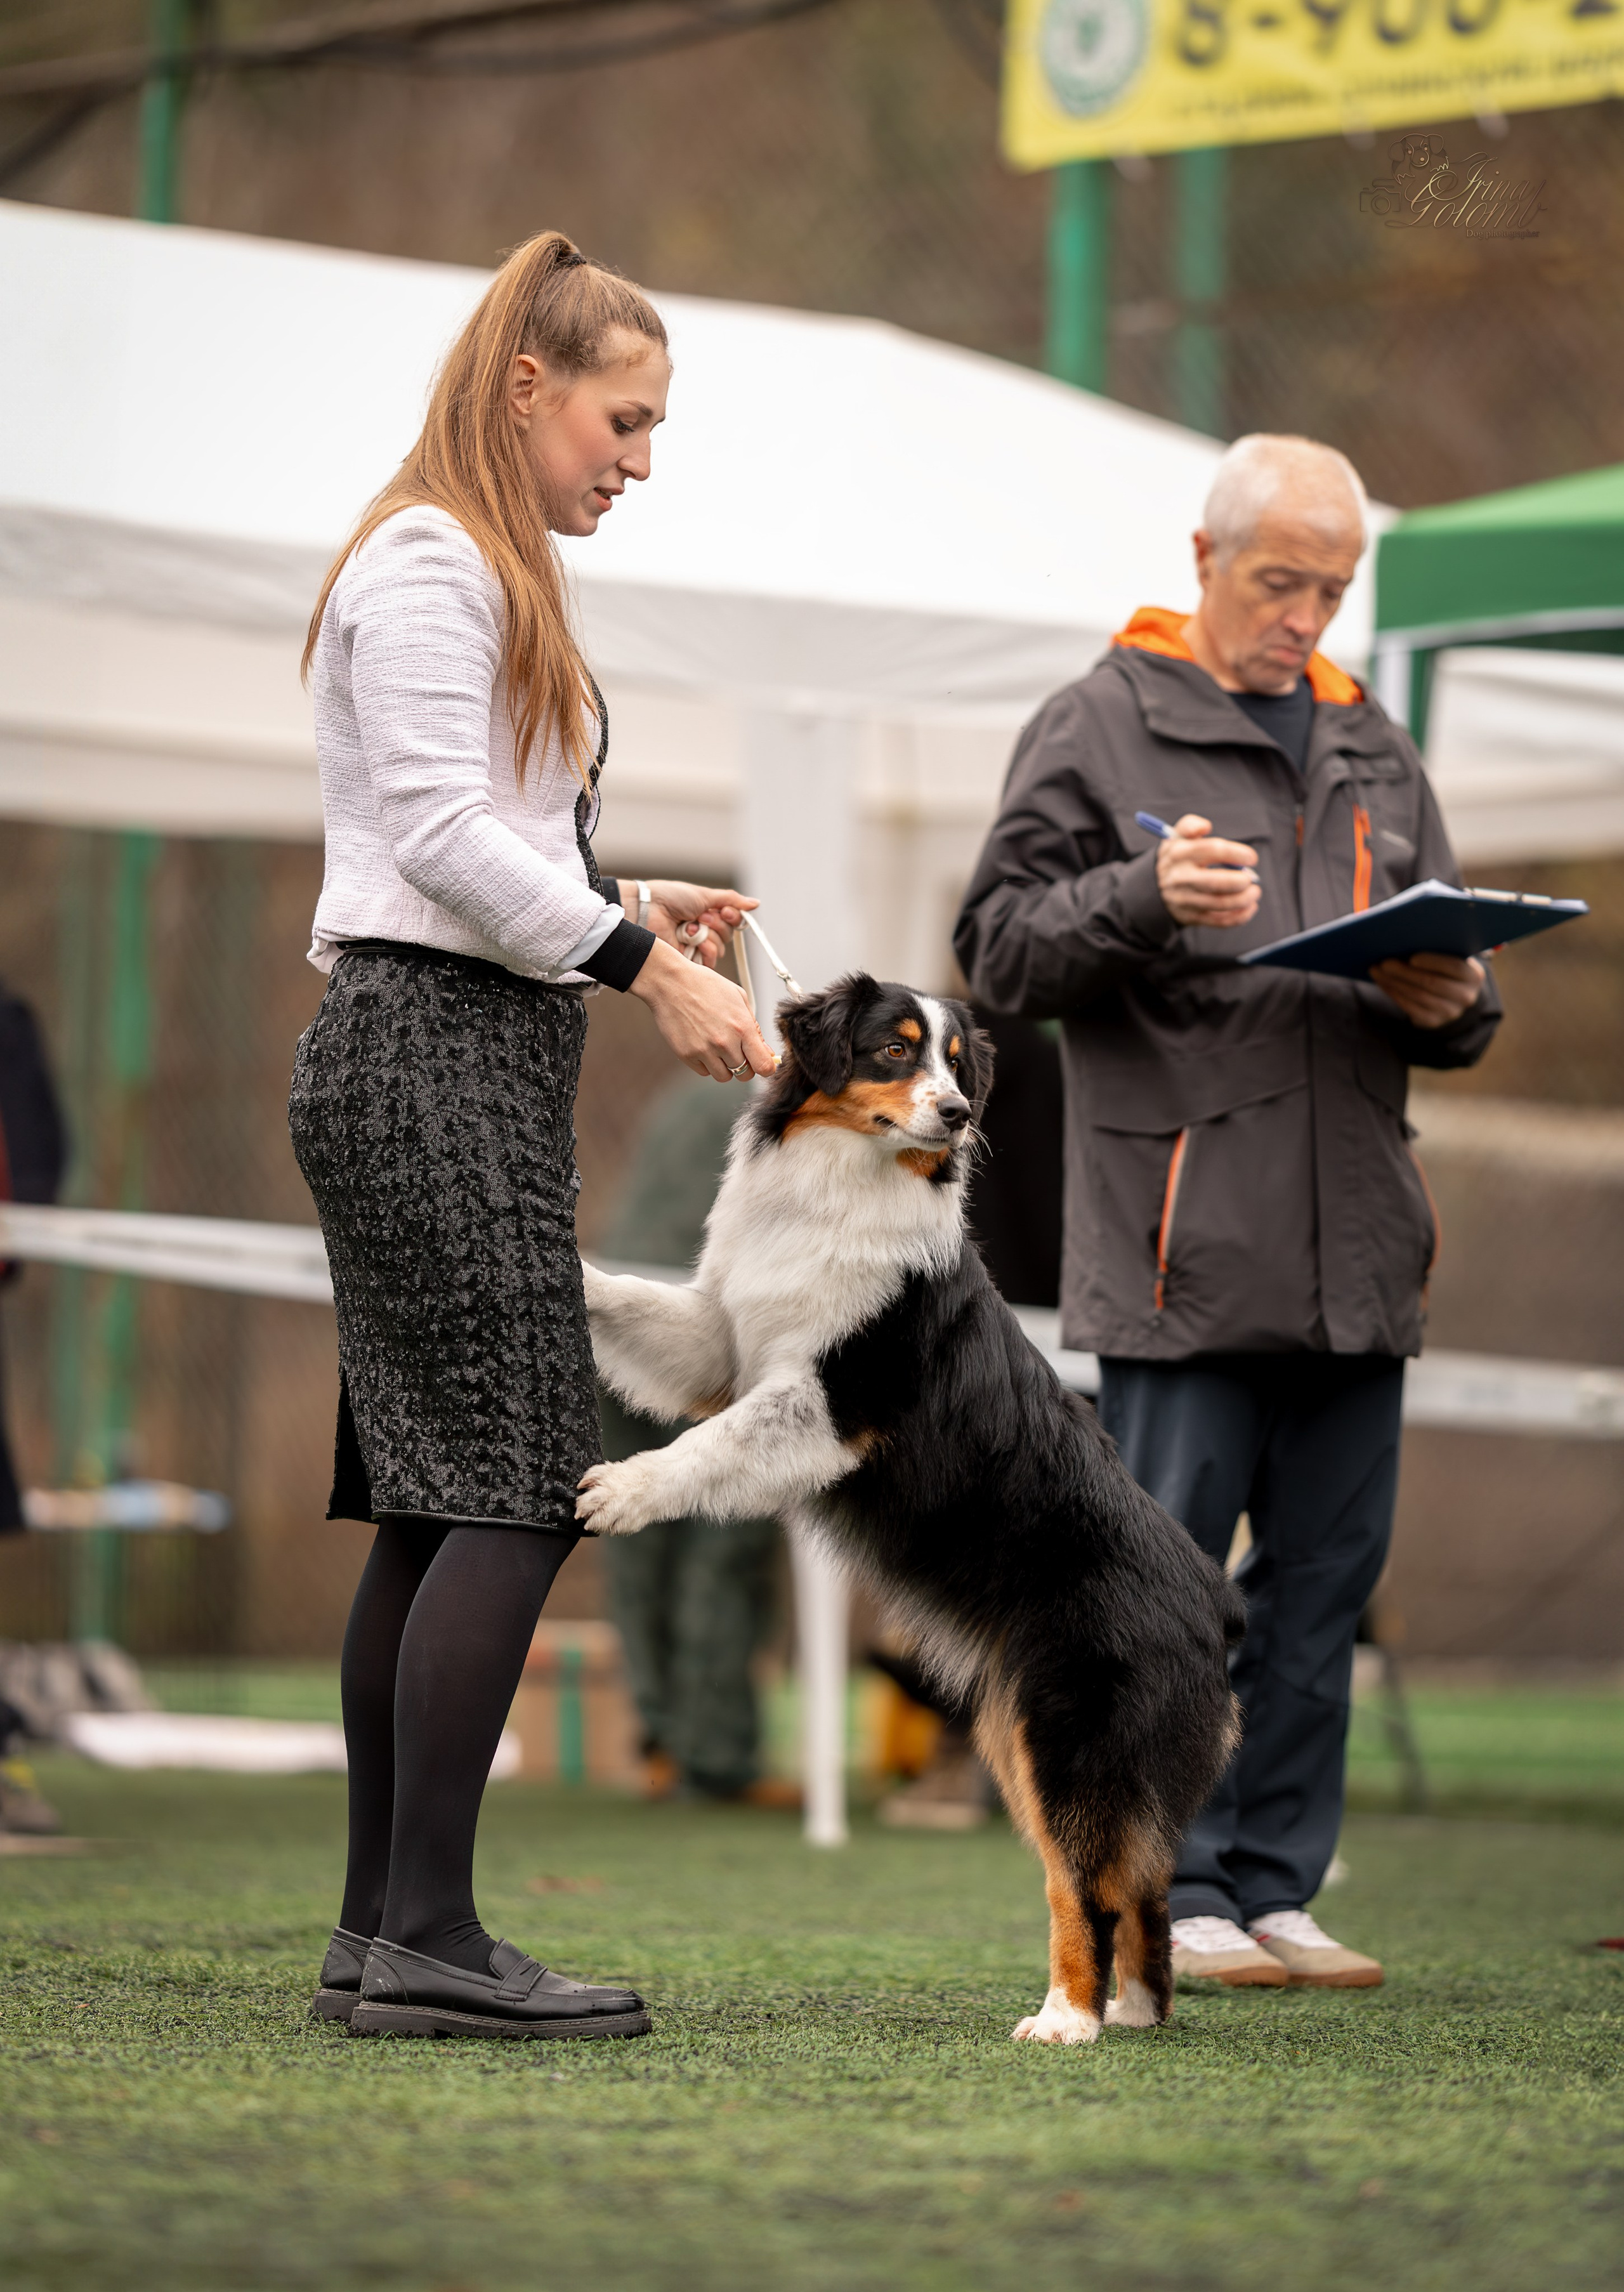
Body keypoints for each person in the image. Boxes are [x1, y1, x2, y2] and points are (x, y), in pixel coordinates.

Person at [288, 230, 775, 2042]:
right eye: (623, 421)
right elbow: (426, 836)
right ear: (527, 387)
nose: (637, 461)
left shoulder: (469, 564)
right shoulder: (430, 559)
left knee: (433, 1502)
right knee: (508, 1481)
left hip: (446, 1046)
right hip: (430, 1055)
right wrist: (645, 964)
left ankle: (378, 1934)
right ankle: (428, 1933)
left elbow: (470, 839)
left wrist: (628, 892)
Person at [954, 433, 1500, 1991]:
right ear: (1202, 562)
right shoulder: (1096, 724)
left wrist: (1453, 999)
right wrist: (1137, 902)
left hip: (1358, 1258)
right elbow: (993, 952)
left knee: (1321, 1591)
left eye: (1330, 589)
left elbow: (1450, 985)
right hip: (1179, 1255)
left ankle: (1272, 1887)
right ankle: (1162, 1895)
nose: (1304, 617)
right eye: (1278, 582)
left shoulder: (1371, 743)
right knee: (1157, 1596)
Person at [594, 1077, 785, 1806]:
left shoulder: (680, 1096)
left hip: (619, 1322)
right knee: (722, 1540)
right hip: (710, 1337)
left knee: (634, 1540)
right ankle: (716, 1757)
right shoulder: (801, 1107)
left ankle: (659, 1737)